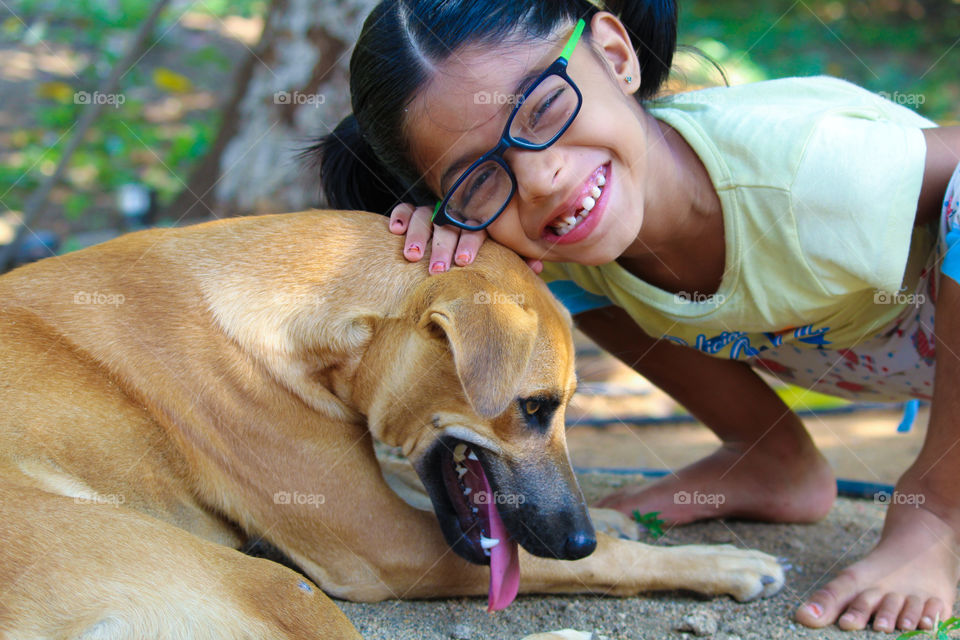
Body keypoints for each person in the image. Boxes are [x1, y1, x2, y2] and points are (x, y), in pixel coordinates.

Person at [311, 0, 960, 633]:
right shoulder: (547, 226)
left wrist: (933, 503)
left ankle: (939, 512)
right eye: (476, 178)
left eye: (543, 108)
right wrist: (445, 245)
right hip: (877, 351)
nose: (540, 177)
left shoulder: (814, 170)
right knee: (528, 266)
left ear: (616, 56)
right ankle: (768, 456)